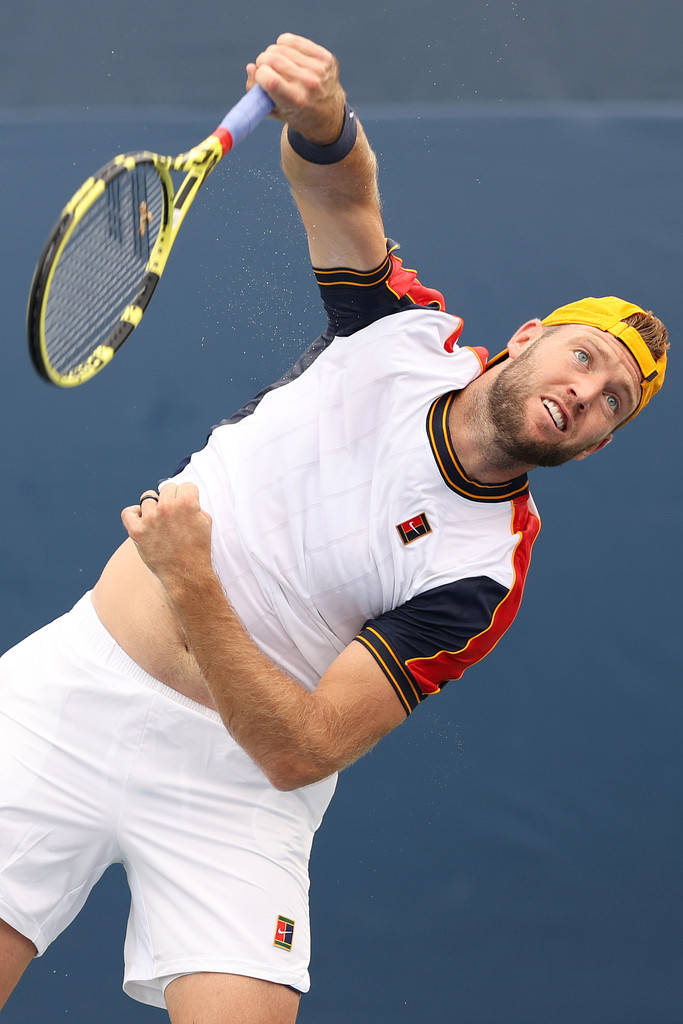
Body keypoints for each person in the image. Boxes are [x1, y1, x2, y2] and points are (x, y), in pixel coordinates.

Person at [0, 31, 669, 1024]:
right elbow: (340, 194)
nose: (584, 390)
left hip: (238, 791)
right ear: (526, 340)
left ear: (599, 445)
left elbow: (299, 750)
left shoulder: (482, 576)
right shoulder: (395, 332)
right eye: (581, 358)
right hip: (69, 704)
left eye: (612, 399)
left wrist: (194, 582)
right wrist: (320, 113)